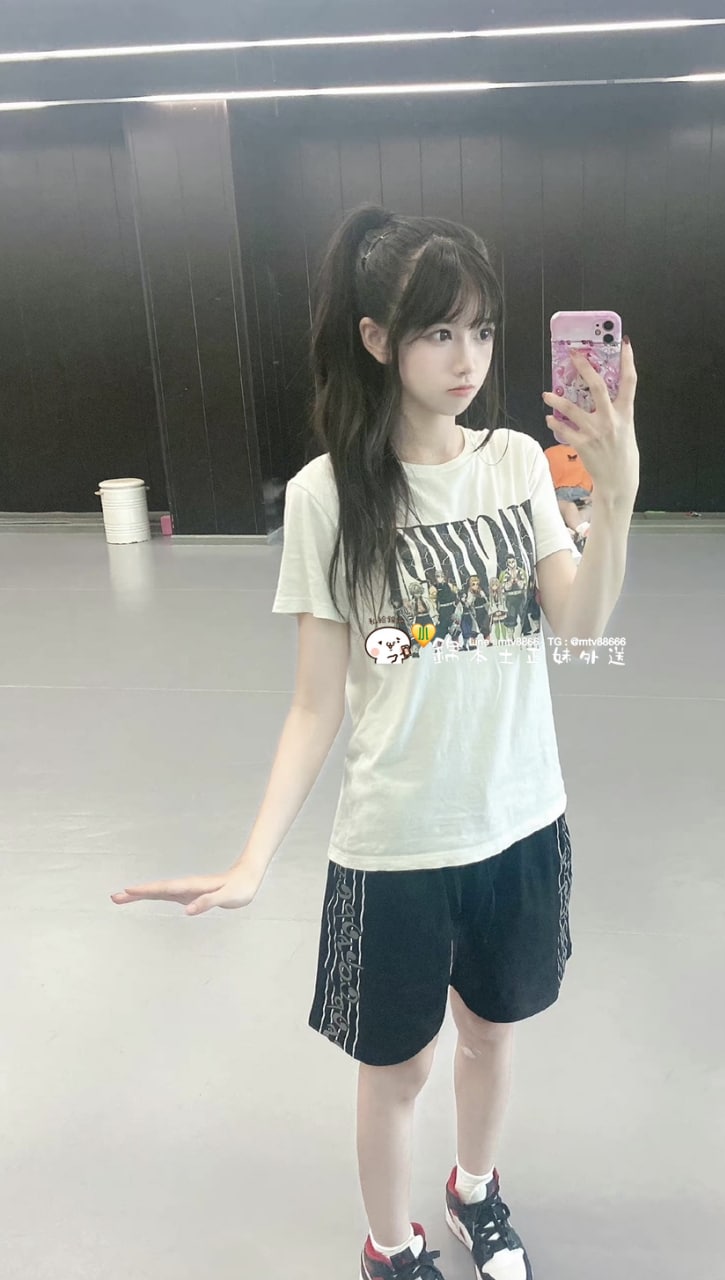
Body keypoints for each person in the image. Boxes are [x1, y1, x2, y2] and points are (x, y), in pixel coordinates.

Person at [110, 204, 639, 1280]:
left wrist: (617, 492)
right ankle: (389, 1248)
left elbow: (581, 629)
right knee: (397, 1070)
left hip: (520, 819)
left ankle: (474, 1190)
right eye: (438, 331)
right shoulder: (327, 496)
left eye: (481, 329)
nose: (467, 358)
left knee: (492, 1034)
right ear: (375, 339)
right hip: (397, 843)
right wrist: (253, 858)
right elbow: (321, 699)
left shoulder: (515, 464)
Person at [544, 442, 594, 552]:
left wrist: (593, 496)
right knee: (570, 507)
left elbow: (601, 478)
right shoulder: (549, 453)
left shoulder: (591, 452)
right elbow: (542, 480)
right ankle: (581, 530)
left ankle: (571, 532)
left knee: (591, 510)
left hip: (584, 497)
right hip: (559, 496)